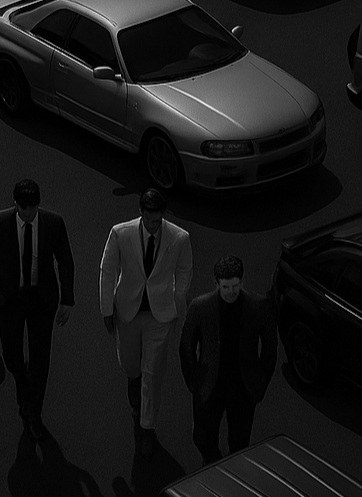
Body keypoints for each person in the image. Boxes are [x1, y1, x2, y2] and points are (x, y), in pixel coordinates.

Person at [0, 179, 74, 442]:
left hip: (42, 299)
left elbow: (65, 260)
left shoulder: (53, 223)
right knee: (12, 355)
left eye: (32, 209)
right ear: (15, 204)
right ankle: (23, 382)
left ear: (39, 205)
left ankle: (33, 412)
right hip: (11, 298)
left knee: (41, 358)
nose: (28, 214)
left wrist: (67, 300)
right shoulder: (0, 222)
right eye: (23, 209)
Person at [99, 188, 193, 457]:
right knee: (131, 366)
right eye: (149, 220)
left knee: (152, 373)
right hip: (128, 311)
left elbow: (184, 270)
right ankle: (135, 396)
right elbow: (107, 270)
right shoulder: (121, 233)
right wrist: (107, 309)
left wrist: (177, 297)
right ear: (141, 214)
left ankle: (147, 428)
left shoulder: (179, 237)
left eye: (157, 221)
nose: (153, 226)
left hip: (160, 315)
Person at [179, 255, 277, 464]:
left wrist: (260, 381)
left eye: (235, 286)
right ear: (217, 283)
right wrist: (194, 383)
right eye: (226, 287)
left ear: (242, 282)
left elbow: (270, 347)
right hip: (210, 385)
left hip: (243, 386)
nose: (231, 292)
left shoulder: (258, 306)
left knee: (240, 443)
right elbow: (186, 347)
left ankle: (231, 474)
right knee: (203, 438)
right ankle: (215, 466)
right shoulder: (199, 307)